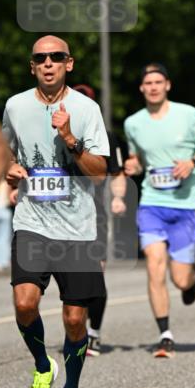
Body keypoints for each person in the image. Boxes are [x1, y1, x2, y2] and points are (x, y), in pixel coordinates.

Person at [2, 36, 109, 388]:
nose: (49, 63)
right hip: (32, 222)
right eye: (41, 58)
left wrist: (69, 139)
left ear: (69, 63)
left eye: (56, 57)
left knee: (75, 319)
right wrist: (9, 170)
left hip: (77, 229)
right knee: (24, 303)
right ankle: (43, 366)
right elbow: (4, 151)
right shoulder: (15, 106)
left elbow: (99, 173)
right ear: (32, 66)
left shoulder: (86, 109)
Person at [124, 63, 195, 358]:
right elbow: (138, 159)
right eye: (148, 83)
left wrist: (192, 163)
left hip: (185, 205)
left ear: (167, 85)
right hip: (152, 203)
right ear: (141, 88)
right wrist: (133, 166)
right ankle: (164, 335)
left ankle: (192, 275)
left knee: (180, 280)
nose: (153, 87)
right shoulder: (133, 123)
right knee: (154, 264)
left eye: (158, 82)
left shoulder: (189, 115)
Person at [72, 84, 127, 356]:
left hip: (95, 214)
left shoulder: (106, 137)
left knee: (94, 275)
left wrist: (118, 197)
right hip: (60, 215)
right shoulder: (54, 135)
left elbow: (117, 173)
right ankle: (76, 329)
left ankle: (93, 331)